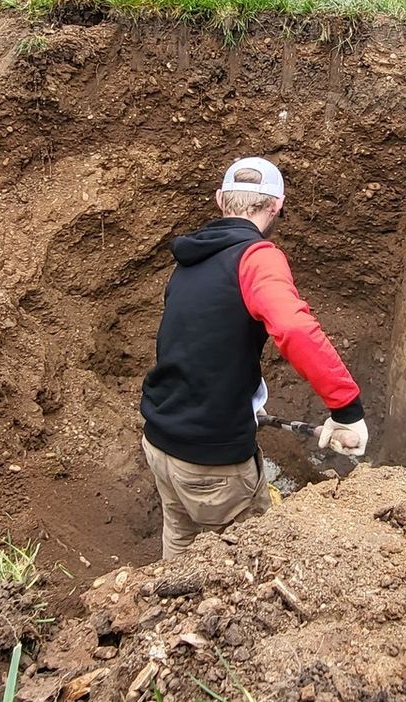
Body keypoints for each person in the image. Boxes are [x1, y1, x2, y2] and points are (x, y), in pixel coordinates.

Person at [139, 158, 369, 558]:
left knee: (180, 541)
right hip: (212, 462)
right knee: (254, 561)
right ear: (277, 206)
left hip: (161, 442)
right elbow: (294, 329)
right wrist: (346, 408)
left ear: (219, 200)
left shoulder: (189, 263)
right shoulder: (257, 256)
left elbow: (201, 346)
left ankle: (168, 617)